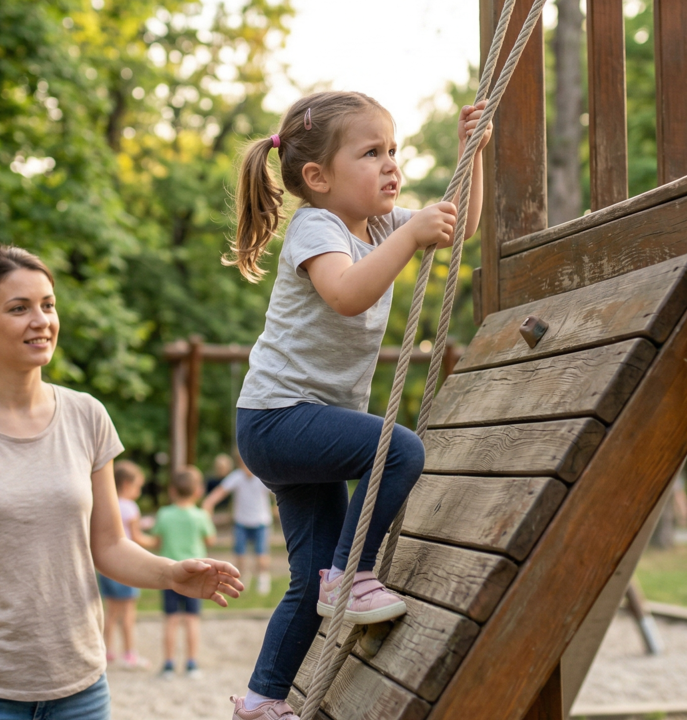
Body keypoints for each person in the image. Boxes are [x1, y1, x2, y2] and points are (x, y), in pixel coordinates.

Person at [221, 91, 491, 719]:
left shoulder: (382, 228)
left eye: (393, 150)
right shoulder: (317, 227)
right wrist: (411, 236)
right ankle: (353, 574)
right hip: (277, 419)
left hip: (299, 432)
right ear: (317, 177)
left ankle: (262, 701)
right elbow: (345, 293)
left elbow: (460, 226)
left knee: (306, 578)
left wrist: (469, 156)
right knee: (398, 449)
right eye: (371, 153)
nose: (391, 165)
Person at [0, 247, 243, 720]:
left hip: (80, 691)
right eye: (19, 308)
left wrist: (170, 574)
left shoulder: (87, 415)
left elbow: (110, 545)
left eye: (48, 305)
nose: (40, 320)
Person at [148, 466, 218, 680]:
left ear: (172, 491)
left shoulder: (164, 514)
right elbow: (210, 540)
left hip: (170, 573)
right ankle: (191, 664)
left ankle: (168, 665)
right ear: (198, 491)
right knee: (191, 619)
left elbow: (157, 542)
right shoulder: (200, 516)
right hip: (196, 575)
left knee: (170, 619)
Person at [100, 460, 156, 670]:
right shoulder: (131, 507)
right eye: (137, 486)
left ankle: (106, 651)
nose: (139, 491)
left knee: (111, 612)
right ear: (126, 485)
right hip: (126, 566)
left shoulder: (107, 503)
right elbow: (137, 538)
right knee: (129, 613)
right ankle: (130, 653)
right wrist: (157, 540)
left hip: (107, 566)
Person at [201, 453, 276, 595]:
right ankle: (243, 580)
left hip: (260, 522)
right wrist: (209, 503)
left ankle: (263, 580)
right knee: (240, 555)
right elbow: (220, 492)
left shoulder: (261, 478)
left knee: (261, 555)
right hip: (241, 522)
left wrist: (278, 507)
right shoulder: (236, 477)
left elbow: (275, 493)